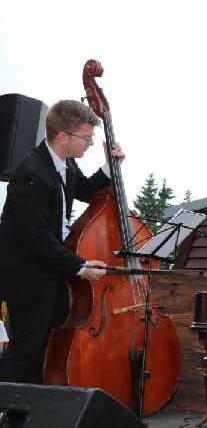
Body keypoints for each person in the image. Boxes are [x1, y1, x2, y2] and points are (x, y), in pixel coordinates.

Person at [0, 99, 121, 383]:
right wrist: (79, 266)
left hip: (50, 276)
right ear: (63, 136)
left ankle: (26, 413)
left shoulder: (65, 164)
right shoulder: (31, 173)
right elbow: (36, 236)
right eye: (86, 137)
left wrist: (109, 165)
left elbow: (88, 190)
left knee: (42, 351)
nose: (91, 143)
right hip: (26, 278)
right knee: (25, 351)